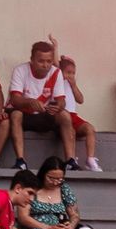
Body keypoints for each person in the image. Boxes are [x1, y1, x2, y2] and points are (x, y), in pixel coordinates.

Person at [6, 40, 78, 172]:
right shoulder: (20, 70)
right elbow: (15, 100)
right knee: (16, 115)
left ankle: (70, 161)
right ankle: (20, 161)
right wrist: (29, 102)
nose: (45, 65)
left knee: (64, 115)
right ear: (32, 59)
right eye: (41, 61)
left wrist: (58, 107)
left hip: (44, 115)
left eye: (49, 61)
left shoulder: (56, 72)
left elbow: (62, 100)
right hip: (24, 114)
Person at [56, 56, 102, 172]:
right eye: (68, 72)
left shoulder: (72, 85)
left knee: (90, 128)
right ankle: (72, 159)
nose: (71, 75)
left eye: (73, 73)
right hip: (62, 115)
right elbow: (56, 64)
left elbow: (80, 99)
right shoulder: (57, 80)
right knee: (70, 130)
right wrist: (55, 47)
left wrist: (74, 86)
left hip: (73, 115)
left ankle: (90, 159)